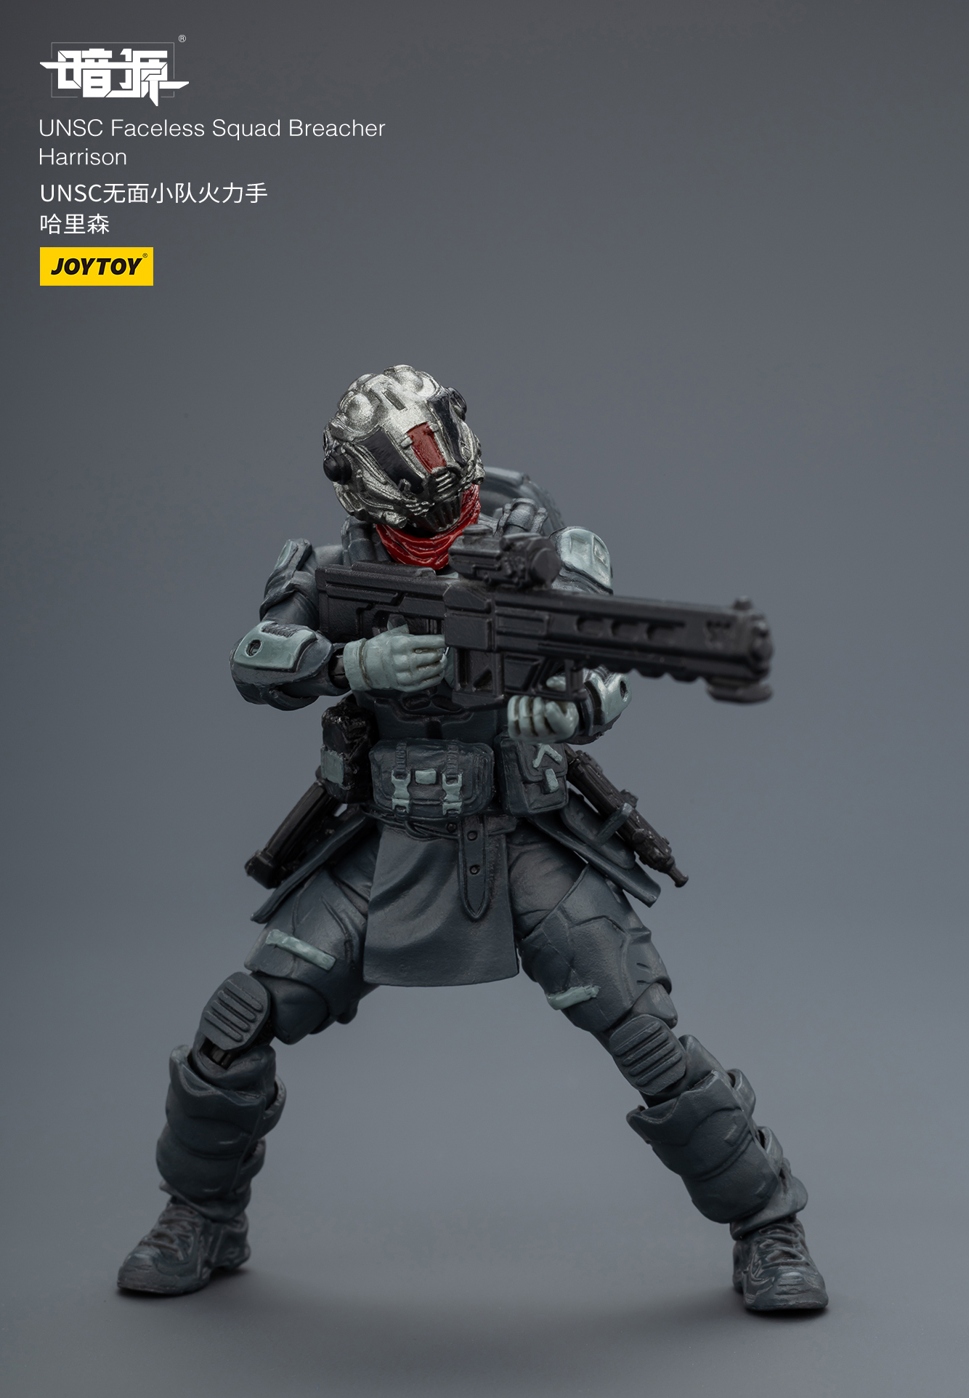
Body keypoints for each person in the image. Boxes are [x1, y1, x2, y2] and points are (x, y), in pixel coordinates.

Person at [118, 365, 827, 1313]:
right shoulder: (328, 569)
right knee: (236, 1024)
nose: (440, 500)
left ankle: (768, 1221)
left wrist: (569, 711)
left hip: (521, 835)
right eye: (415, 486)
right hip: (385, 842)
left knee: (644, 1034)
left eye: (445, 474)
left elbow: (607, 666)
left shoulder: (544, 551)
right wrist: (351, 660)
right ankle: (201, 1215)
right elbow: (256, 660)